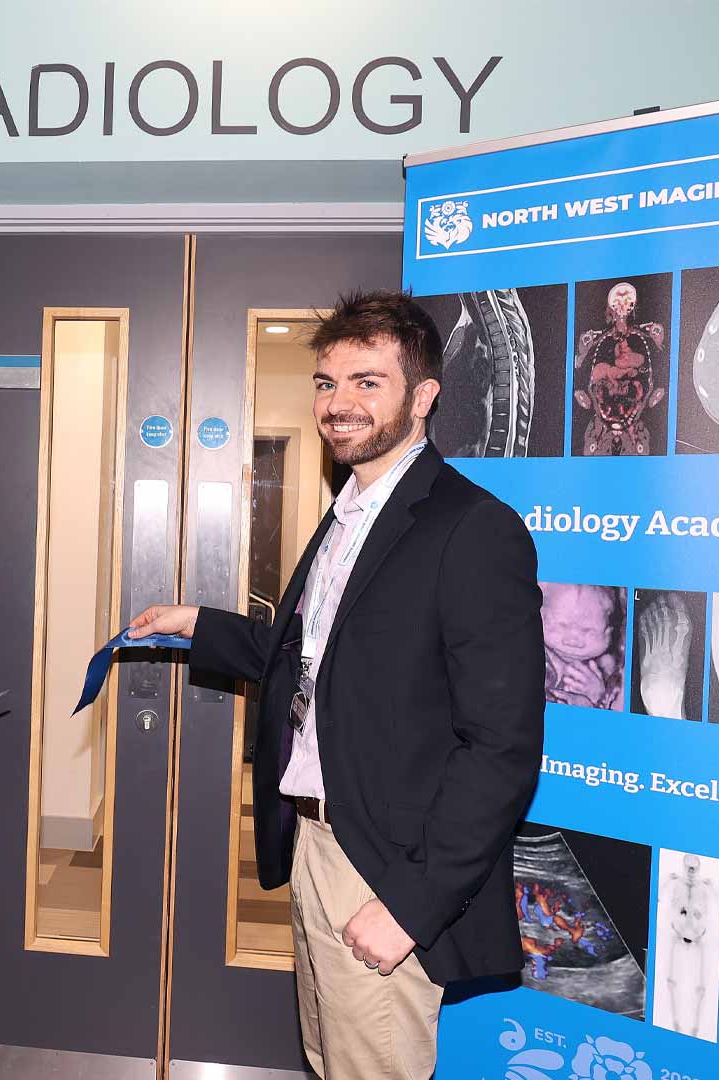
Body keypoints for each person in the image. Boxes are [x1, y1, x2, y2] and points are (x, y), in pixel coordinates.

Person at [128, 291, 544, 1079]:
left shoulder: (472, 528)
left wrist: (412, 906)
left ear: (422, 398)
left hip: (388, 864)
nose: (339, 403)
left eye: (366, 382)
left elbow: (504, 748)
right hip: (318, 838)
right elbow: (313, 659)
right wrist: (195, 623)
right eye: (326, 383)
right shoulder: (348, 510)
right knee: (329, 1060)